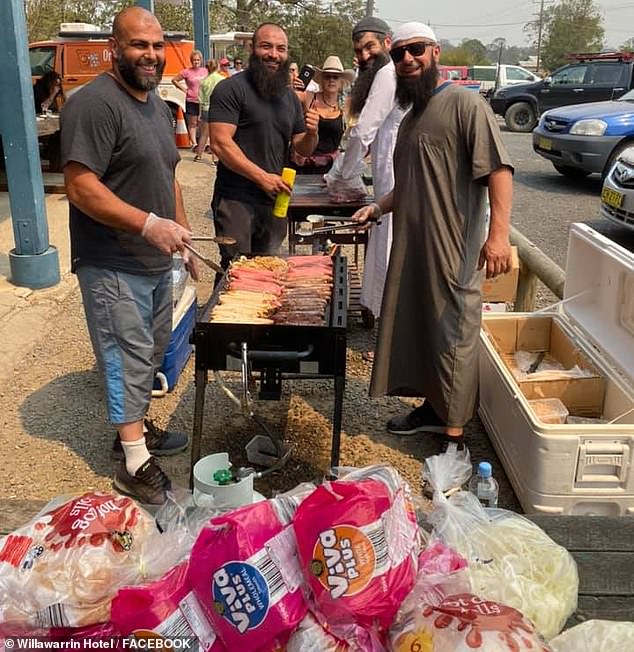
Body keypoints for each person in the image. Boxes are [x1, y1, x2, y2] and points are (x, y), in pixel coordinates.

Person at [353, 22, 513, 450]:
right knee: (423, 328)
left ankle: (455, 440)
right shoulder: (411, 118)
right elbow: (407, 185)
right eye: (400, 53)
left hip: (452, 249)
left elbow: (497, 170)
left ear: (435, 53)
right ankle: (432, 408)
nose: (407, 59)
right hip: (413, 249)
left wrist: (498, 237)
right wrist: (377, 206)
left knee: (452, 336)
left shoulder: (465, 104)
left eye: (416, 50)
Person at [61, 6, 197, 505]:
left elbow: (169, 175)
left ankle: (133, 434)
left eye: (158, 46)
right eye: (140, 45)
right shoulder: (94, 104)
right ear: (114, 48)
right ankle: (135, 465)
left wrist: (181, 234)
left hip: (157, 258)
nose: (151, 55)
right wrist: (146, 223)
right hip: (113, 260)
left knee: (148, 355)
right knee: (126, 356)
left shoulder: (158, 106)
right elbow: (80, 186)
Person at [208, 22, 319, 276]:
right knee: (235, 272)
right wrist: (262, 178)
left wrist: (313, 133)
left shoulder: (289, 97)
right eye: (266, 46)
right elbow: (220, 143)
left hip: (274, 201)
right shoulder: (231, 89)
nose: (274, 54)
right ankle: (227, 317)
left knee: (267, 270)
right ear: (252, 48)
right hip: (236, 199)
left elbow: (302, 147)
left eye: (281, 49)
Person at [326, 17, 406, 353]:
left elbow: (363, 132)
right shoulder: (382, 74)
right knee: (385, 237)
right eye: (358, 50)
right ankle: (383, 316)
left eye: (369, 47)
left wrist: (342, 172)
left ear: (387, 43)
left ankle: (391, 324)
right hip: (389, 166)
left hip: (396, 171)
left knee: (390, 242)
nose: (363, 55)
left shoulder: (388, 74)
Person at [291, 55, 353, 175]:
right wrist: (293, 88)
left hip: (330, 169)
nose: (331, 80)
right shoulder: (308, 97)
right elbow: (285, 99)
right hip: (302, 166)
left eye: (335, 77)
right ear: (321, 80)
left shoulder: (346, 105)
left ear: (341, 82)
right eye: (327, 77)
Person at [172, 49, 207, 148]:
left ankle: (203, 143)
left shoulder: (205, 71)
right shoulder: (186, 72)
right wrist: (184, 89)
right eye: (194, 60)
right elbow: (174, 80)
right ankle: (194, 143)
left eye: (198, 60)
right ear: (191, 61)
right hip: (191, 100)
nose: (196, 62)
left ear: (201, 61)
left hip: (203, 101)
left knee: (203, 123)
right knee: (193, 123)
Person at [194, 58, 225, 162]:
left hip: (205, 109)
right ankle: (215, 158)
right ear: (217, 67)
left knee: (204, 134)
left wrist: (199, 113)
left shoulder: (203, 81)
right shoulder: (221, 79)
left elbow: (200, 99)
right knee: (215, 135)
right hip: (217, 109)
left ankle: (198, 155)